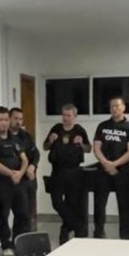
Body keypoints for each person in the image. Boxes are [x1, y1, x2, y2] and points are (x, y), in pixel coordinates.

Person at [0, 107, 30, 256]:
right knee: (3, 215)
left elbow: (24, 159)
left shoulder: (15, 138)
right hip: (1, 183)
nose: (4, 123)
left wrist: (20, 173)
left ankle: (19, 243)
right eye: (0, 120)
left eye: (6, 120)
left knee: (22, 213)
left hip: (18, 181)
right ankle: (6, 245)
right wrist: (11, 174)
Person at [43, 104, 91, 243]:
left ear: (75, 116)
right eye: (63, 115)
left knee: (72, 203)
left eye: (68, 115)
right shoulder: (56, 128)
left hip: (74, 171)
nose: (65, 118)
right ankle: (77, 225)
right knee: (56, 202)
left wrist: (81, 144)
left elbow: (88, 149)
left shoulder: (79, 130)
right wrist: (50, 140)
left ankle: (65, 232)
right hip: (57, 170)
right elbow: (45, 146)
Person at [93, 97, 129, 239]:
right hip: (103, 169)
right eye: (112, 106)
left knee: (124, 204)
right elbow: (96, 147)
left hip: (123, 171)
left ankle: (125, 235)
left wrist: (115, 164)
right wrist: (106, 163)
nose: (114, 109)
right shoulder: (102, 126)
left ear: (123, 107)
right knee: (99, 203)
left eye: (117, 106)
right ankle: (98, 232)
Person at [9, 107, 40, 230]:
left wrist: (33, 166)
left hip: (28, 177)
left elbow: (35, 153)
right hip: (14, 177)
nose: (18, 122)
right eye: (15, 118)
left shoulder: (26, 136)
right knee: (20, 213)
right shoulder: (6, 136)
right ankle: (18, 237)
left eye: (20, 119)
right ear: (10, 118)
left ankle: (28, 235)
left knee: (29, 212)